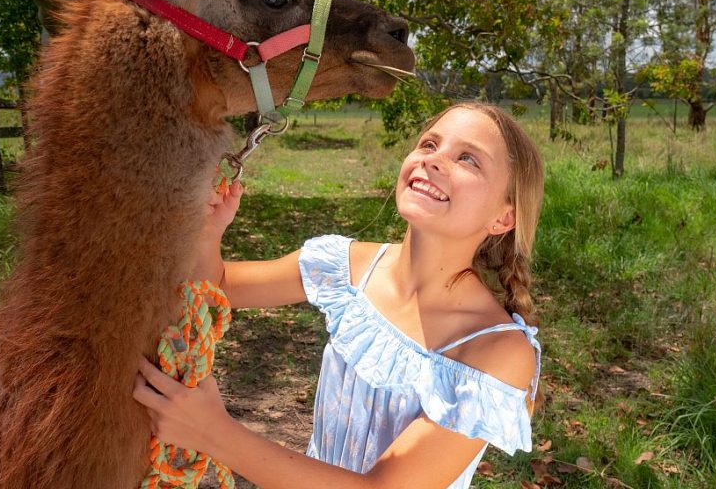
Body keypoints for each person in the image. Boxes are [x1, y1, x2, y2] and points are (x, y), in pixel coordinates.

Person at [134, 102, 545, 488]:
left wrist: (213, 433)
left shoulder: (497, 352)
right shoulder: (342, 266)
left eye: (468, 158)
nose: (433, 159)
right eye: (429, 143)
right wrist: (209, 233)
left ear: (503, 217)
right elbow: (216, 289)